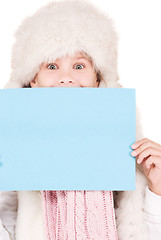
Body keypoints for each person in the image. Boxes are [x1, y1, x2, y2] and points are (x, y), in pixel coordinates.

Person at [0, 0, 161, 239]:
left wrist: (156, 190)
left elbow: (139, 231)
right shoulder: (13, 145)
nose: (66, 78)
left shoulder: (123, 142)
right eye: (52, 65)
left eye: (79, 65)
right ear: (33, 80)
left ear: (98, 79)